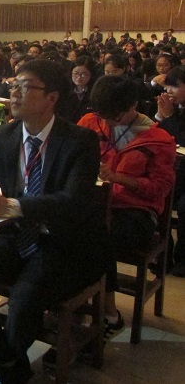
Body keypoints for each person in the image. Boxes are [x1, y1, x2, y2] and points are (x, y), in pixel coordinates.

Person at [0, 60, 107, 384]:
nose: (15, 93)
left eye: (25, 87)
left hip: (65, 242)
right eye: (13, 86)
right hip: (19, 235)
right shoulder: (7, 135)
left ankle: (2, 368)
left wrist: (9, 205)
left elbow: (72, 202)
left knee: (23, 300)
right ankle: (3, 364)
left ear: (52, 98)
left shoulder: (80, 141)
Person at [79, 76, 175, 337]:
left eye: (115, 116)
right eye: (102, 114)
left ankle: (107, 312)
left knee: (96, 237)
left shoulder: (158, 139)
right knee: (67, 230)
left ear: (133, 105)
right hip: (96, 205)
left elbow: (159, 189)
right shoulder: (90, 123)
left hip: (136, 213)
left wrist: (119, 178)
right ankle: (76, 306)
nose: (108, 121)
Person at [156, 65, 185, 276]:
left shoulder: (175, 112)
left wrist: (169, 118)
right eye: (167, 86)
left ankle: (182, 258)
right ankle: (163, 255)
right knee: (157, 194)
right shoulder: (176, 108)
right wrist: (161, 116)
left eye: (175, 86)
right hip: (177, 171)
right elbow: (160, 137)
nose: (169, 91)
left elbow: (180, 139)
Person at [57, 55, 97, 123]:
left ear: (91, 74)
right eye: (76, 73)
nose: (79, 77)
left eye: (84, 74)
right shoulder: (64, 91)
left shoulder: (95, 92)